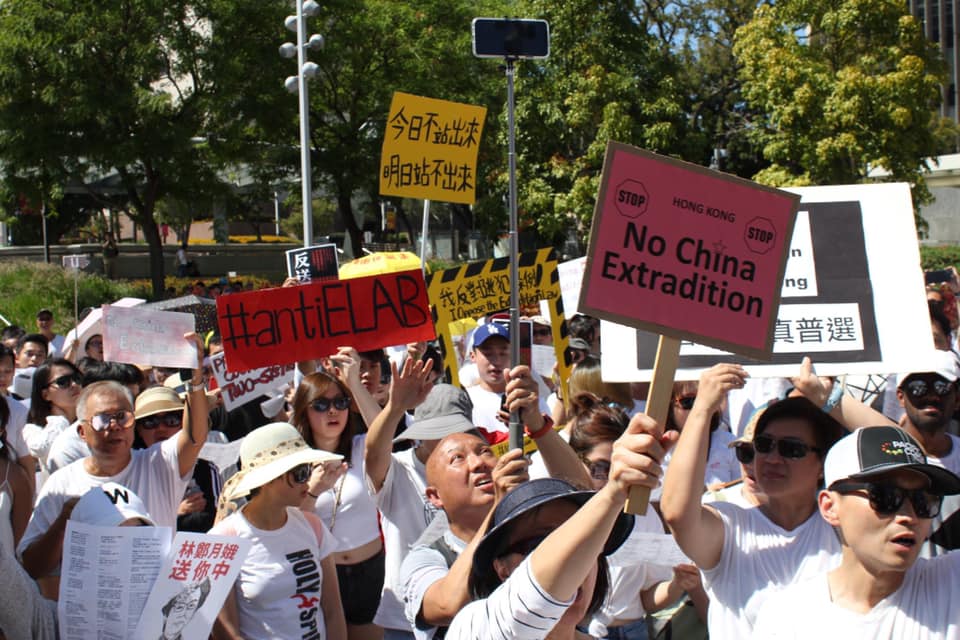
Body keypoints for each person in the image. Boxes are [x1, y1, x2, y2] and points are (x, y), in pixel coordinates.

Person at [445, 409, 672, 640]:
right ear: (502, 569)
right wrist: (614, 492)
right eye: (539, 544)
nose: (574, 558)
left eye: (587, 547)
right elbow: (532, 601)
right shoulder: (474, 628)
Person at [660, 363, 848, 637]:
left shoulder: (844, 528)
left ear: (823, 464)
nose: (772, 458)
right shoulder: (731, 526)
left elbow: (917, 456)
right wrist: (702, 408)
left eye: (791, 449)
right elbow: (677, 512)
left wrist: (830, 402)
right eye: (763, 445)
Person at [18, 333, 209, 599]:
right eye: (102, 419)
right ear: (82, 432)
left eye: (122, 416)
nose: (114, 426)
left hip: (153, 619)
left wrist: (196, 381)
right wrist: (64, 522)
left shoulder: (158, 465)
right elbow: (30, 565)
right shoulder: (61, 485)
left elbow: (195, 435)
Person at [752, 425, 960, 638]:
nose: (910, 516)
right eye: (885, 496)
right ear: (830, 507)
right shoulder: (786, 618)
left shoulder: (952, 583)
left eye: (923, 501)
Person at [566, 393, 707, 638]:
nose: (613, 477)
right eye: (600, 468)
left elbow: (647, 598)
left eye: (623, 465)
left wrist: (677, 584)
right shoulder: (561, 517)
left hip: (631, 631)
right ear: (576, 461)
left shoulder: (642, 516)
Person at [211, 422, 346, 640]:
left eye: (308, 469)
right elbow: (226, 631)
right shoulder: (223, 539)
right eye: (300, 472)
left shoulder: (313, 526)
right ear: (269, 480)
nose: (308, 480)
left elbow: (333, 611)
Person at [291, 364, 385, 640]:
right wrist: (313, 492)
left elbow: (384, 427)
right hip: (321, 576)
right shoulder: (291, 464)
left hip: (371, 571)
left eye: (340, 402)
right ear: (304, 411)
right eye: (320, 404)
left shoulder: (361, 448)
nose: (333, 411)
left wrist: (354, 383)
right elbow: (288, 526)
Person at [890, 350, 960, 555]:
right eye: (918, 388)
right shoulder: (879, 459)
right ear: (901, 397)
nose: (931, 396)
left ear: (957, 397)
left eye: (941, 387)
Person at [133, 386, 220, 532]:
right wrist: (175, 514)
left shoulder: (206, 470)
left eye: (171, 420)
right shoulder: (130, 470)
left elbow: (219, 520)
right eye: (150, 422)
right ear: (139, 430)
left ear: (183, 425)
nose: (161, 428)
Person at [20, 358, 82, 490]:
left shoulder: (92, 423)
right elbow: (40, 449)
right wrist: (60, 420)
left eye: (77, 378)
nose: (74, 384)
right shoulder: (33, 430)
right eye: (63, 382)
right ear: (46, 394)